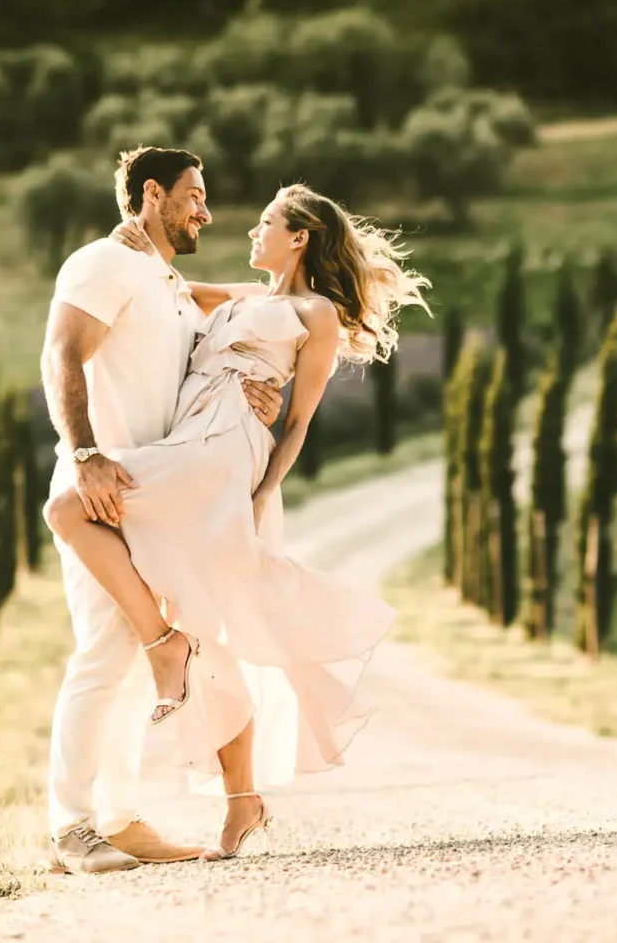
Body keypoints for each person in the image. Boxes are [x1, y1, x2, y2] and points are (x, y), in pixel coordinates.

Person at [44, 167, 425, 865]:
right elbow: (164, 291)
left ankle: (164, 648)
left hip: (222, 453)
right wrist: (127, 233)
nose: (246, 228)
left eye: (265, 224)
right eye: (199, 199)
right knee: (214, 620)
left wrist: (258, 493)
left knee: (68, 505)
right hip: (186, 441)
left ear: (300, 237)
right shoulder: (244, 294)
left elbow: (300, 421)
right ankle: (238, 796)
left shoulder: (317, 316)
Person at [39, 146, 285, 874]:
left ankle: (118, 818)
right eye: (194, 195)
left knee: (124, 659)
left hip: (154, 494)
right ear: (152, 194)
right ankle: (71, 828)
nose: (205, 211)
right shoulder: (104, 263)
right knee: (102, 655)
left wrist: (256, 391)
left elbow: (239, 311)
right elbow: (61, 353)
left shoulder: (166, 280)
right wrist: (83, 454)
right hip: (102, 488)